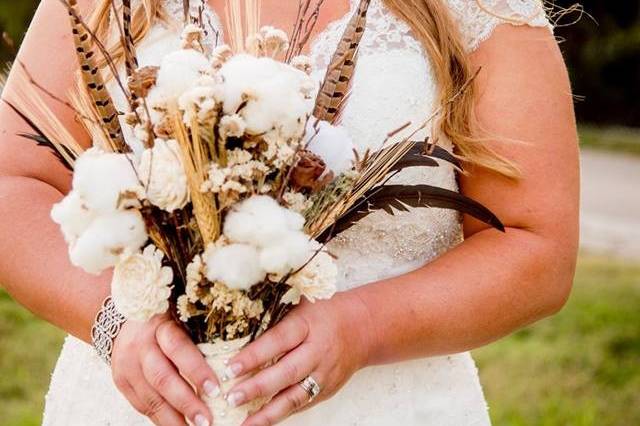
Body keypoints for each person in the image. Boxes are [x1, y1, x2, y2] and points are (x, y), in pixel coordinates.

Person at [0, 0, 580, 425]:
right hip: (130, 407)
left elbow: (535, 242)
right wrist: (112, 324)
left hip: (384, 408)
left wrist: (364, 327)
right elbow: (14, 182)